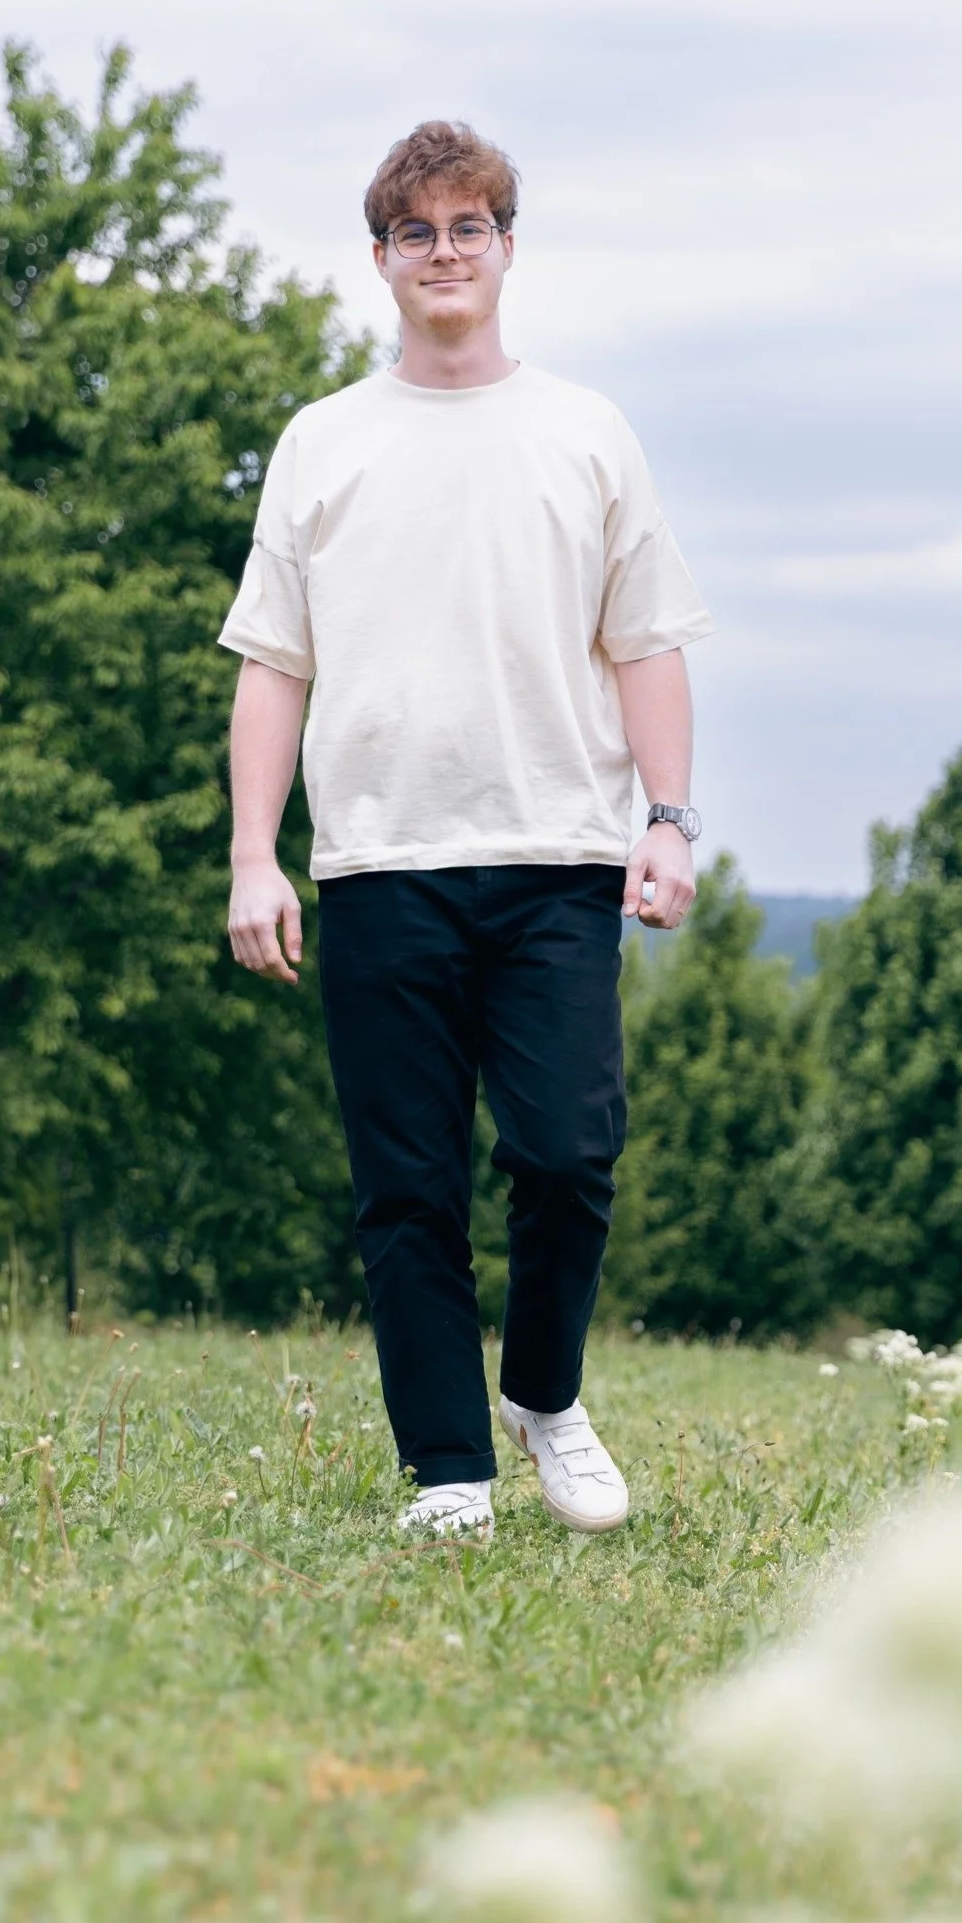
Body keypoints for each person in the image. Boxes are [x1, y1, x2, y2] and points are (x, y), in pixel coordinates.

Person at [219, 120, 712, 1538]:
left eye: (470, 227)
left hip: (558, 854)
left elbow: (650, 641)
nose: (446, 252)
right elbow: (274, 663)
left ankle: (544, 1398)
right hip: (377, 866)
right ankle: (451, 1474)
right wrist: (257, 854)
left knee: (567, 1154)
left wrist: (668, 821)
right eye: (418, 233)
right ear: (381, 261)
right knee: (409, 1189)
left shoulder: (584, 431)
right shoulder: (324, 443)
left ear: (507, 246)